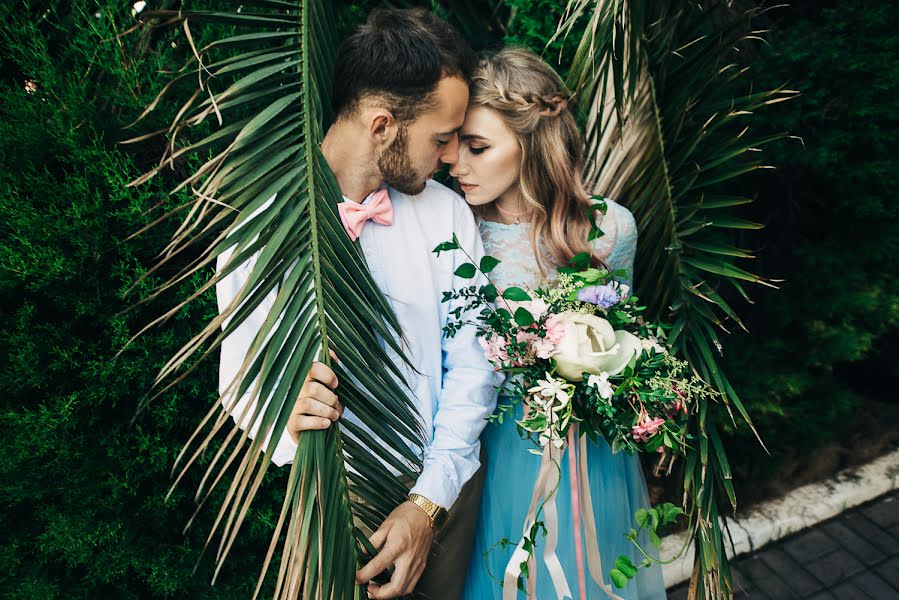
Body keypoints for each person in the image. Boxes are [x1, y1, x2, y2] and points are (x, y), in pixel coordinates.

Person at [215, 9, 501, 600]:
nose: (450, 157)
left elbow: (476, 363)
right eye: (440, 137)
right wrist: (283, 420)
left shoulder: (447, 216)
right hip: (334, 508)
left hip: (446, 496)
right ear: (382, 125)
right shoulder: (257, 231)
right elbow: (239, 386)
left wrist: (428, 503)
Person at [450, 47, 667, 599]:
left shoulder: (610, 229)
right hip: (491, 449)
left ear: (531, 145)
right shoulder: (456, 232)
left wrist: (643, 395)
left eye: (478, 147)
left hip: (589, 453)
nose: (458, 164)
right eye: (455, 145)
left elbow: (625, 333)